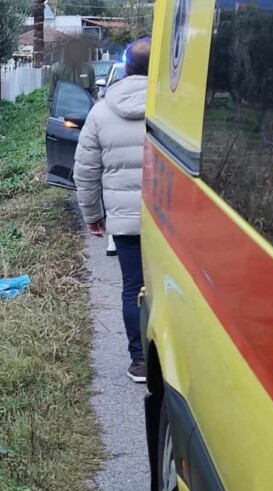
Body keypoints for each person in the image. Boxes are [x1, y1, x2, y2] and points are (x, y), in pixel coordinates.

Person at [73, 37, 151, 383]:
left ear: (127, 68)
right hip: (173, 220)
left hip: (127, 222)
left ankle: (140, 361)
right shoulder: (176, 107)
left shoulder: (101, 112)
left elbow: (86, 170)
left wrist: (92, 216)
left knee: (133, 286)